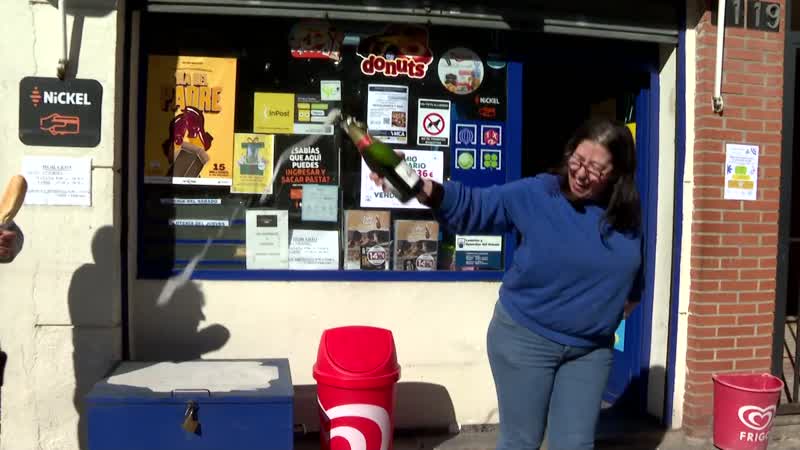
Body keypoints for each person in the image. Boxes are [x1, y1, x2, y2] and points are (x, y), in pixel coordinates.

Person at [370, 118, 643, 450]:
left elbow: (632, 276)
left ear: (617, 174)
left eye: (596, 169)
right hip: (526, 340)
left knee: (575, 445)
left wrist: (608, 312)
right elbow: (475, 206)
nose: (582, 173)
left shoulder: (625, 214)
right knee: (521, 442)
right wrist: (420, 187)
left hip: (590, 350)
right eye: (578, 160)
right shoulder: (540, 193)